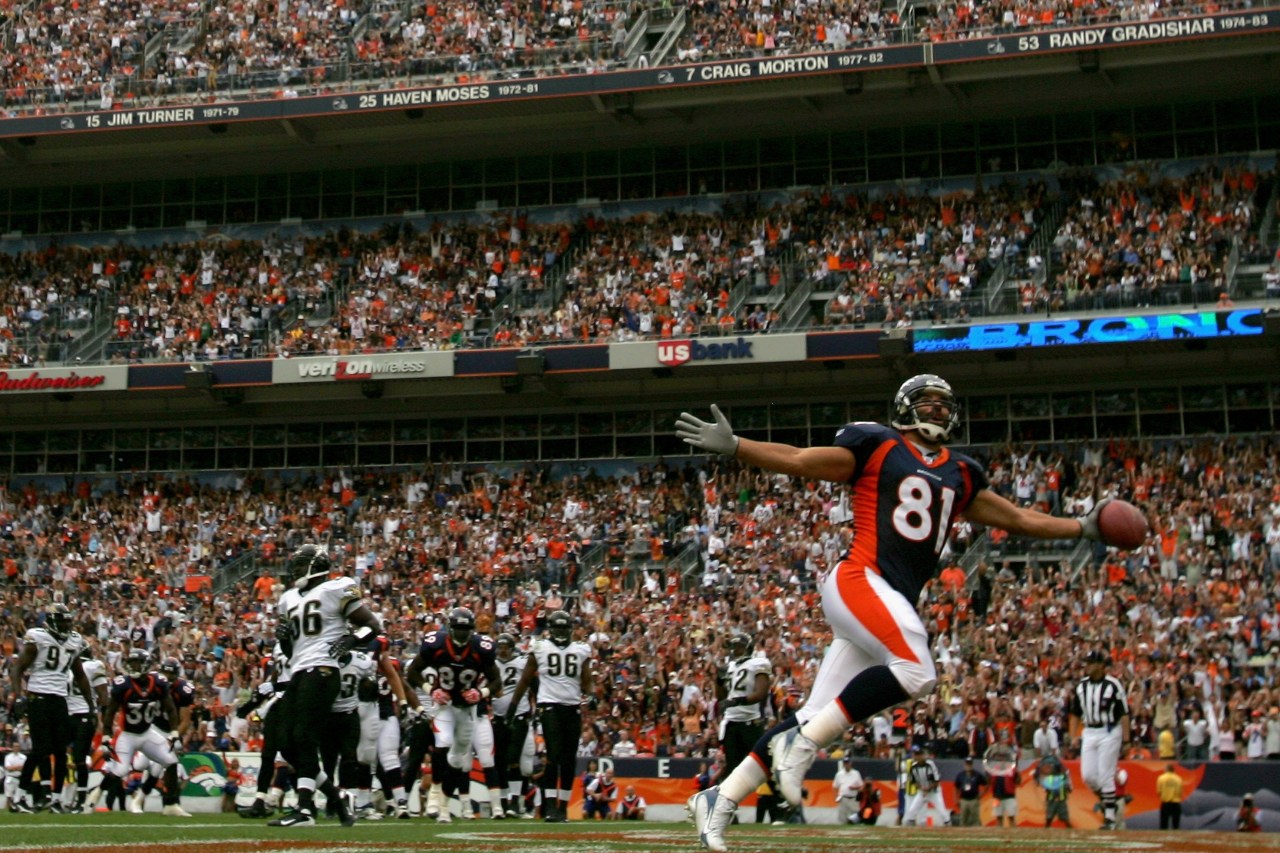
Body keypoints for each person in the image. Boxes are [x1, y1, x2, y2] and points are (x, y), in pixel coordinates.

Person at [680, 375, 1109, 852]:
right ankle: (799, 746)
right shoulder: (879, 445)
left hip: (885, 597)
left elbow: (1020, 518)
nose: (938, 412)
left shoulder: (962, 473)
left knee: (814, 712)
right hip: (861, 578)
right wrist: (738, 446)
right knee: (917, 670)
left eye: (944, 405)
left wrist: (1083, 527)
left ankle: (719, 798)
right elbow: (802, 461)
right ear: (905, 408)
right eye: (927, 403)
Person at [269, 542, 381, 827]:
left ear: (316, 566)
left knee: (304, 736)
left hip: (323, 670)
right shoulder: (289, 598)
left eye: (299, 564)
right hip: (300, 669)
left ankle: (305, 808)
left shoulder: (335, 588)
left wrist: (352, 639)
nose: (294, 570)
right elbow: (292, 650)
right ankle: (335, 796)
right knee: (287, 743)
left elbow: (372, 626)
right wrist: (283, 637)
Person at [404, 607, 499, 822]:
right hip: (445, 706)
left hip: (467, 709)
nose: (462, 634)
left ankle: (444, 804)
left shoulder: (480, 648)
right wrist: (431, 690)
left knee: (457, 759)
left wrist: (481, 692)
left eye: (466, 629)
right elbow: (412, 672)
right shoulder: (436, 644)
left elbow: (497, 681)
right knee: (443, 742)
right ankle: (435, 794)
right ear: (450, 628)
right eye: (458, 628)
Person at [506, 609, 593, 824]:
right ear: (550, 629)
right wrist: (514, 704)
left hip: (572, 707)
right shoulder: (540, 647)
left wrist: (591, 695)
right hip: (549, 706)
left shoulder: (581, 650)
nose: (561, 631)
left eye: (564, 627)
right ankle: (550, 806)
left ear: (570, 628)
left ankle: (563, 808)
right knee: (553, 756)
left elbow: (586, 677)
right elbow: (526, 679)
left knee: (568, 760)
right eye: (558, 627)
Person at [11, 603, 97, 813]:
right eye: (61, 621)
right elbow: (17, 668)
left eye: (67, 621)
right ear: (50, 622)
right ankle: (21, 798)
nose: (65, 625)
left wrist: (91, 704)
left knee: (60, 751)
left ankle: (56, 800)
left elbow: (80, 675)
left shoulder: (75, 640)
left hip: (60, 699)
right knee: (41, 749)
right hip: (38, 697)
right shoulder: (37, 637)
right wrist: (20, 696)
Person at [96, 648, 188, 817]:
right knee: (140, 766)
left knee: (164, 765)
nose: (167, 678)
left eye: (171, 675)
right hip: (150, 728)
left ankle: (164, 802)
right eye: (165, 673)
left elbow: (183, 718)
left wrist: (175, 734)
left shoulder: (181, 689)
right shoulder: (147, 681)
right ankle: (132, 795)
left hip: (167, 731)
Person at [1069, 649, 1130, 830]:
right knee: (1088, 775)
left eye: (1091, 663)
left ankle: (1110, 818)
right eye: (1087, 663)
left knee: (1105, 775)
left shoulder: (1113, 685)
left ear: (1101, 666)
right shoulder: (1082, 686)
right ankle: (1109, 801)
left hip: (1109, 731)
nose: (1088, 666)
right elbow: (1075, 712)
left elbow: (1123, 713)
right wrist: (1073, 735)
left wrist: (1126, 740)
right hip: (1089, 731)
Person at [715, 633, 771, 785]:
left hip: (750, 722)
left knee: (762, 763)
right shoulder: (731, 667)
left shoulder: (758, 663)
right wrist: (718, 681)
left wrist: (737, 701)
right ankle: (728, 804)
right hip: (731, 723)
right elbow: (721, 696)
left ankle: (777, 800)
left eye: (739, 647)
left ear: (748, 648)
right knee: (731, 768)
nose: (736, 650)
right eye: (734, 647)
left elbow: (761, 693)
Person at [491, 633, 535, 818]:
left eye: (505, 647)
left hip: (519, 714)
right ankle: (503, 802)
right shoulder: (492, 664)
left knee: (514, 758)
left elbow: (534, 685)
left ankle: (516, 801)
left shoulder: (522, 662)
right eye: (500, 647)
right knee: (500, 760)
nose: (502, 651)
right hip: (499, 716)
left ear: (511, 648)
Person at [64, 644, 109, 813]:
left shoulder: (92, 666)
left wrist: (103, 721)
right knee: (67, 757)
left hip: (84, 713)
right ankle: (58, 798)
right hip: (69, 715)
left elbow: (103, 696)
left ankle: (81, 800)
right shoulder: (67, 667)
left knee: (79, 758)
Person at [902, 745, 948, 826]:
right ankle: (910, 827)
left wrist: (928, 789)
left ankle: (947, 823)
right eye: (916, 754)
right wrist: (921, 788)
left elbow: (936, 780)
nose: (918, 756)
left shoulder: (930, 764)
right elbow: (913, 781)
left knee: (942, 812)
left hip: (934, 791)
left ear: (923, 755)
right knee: (911, 812)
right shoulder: (913, 767)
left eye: (919, 754)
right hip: (922, 792)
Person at [1038, 755, 1072, 828]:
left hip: (1055, 800)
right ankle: (1070, 830)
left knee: (1052, 817)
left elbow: (1045, 789)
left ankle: (1046, 830)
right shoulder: (1062, 777)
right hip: (1057, 800)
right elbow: (1069, 789)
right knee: (1052, 817)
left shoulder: (1053, 777)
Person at [954, 755, 987, 827]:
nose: (968, 766)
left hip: (974, 800)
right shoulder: (960, 775)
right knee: (963, 820)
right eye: (967, 764)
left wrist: (982, 794)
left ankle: (977, 834)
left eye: (970, 764)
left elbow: (986, 784)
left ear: (972, 765)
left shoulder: (977, 775)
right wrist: (956, 799)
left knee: (976, 820)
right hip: (964, 800)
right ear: (964, 765)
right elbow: (956, 787)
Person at [832, 756, 864, 825]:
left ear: (851, 763)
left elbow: (861, 786)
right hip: (843, 798)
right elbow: (835, 786)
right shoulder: (839, 774)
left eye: (848, 763)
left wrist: (855, 788)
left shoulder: (856, 773)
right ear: (843, 764)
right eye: (845, 763)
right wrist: (836, 797)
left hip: (853, 799)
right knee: (842, 818)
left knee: (855, 818)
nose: (847, 765)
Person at [1156, 762, 1183, 830]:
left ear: (1166, 769)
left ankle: (1162, 838)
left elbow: (1159, 791)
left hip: (1166, 803)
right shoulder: (1178, 779)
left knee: (1164, 824)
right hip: (1176, 803)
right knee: (1176, 825)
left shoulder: (1161, 778)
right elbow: (1180, 792)